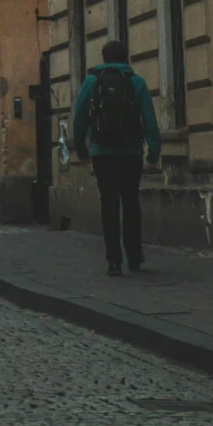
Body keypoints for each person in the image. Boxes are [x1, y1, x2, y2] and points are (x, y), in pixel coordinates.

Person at [72, 37, 161, 277]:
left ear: (104, 58)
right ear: (125, 57)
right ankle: (134, 258)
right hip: (131, 153)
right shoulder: (136, 82)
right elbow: (149, 119)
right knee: (131, 204)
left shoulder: (92, 81)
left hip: (102, 153)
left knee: (109, 204)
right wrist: (153, 151)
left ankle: (113, 261)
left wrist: (80, 148)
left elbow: (80, 115)